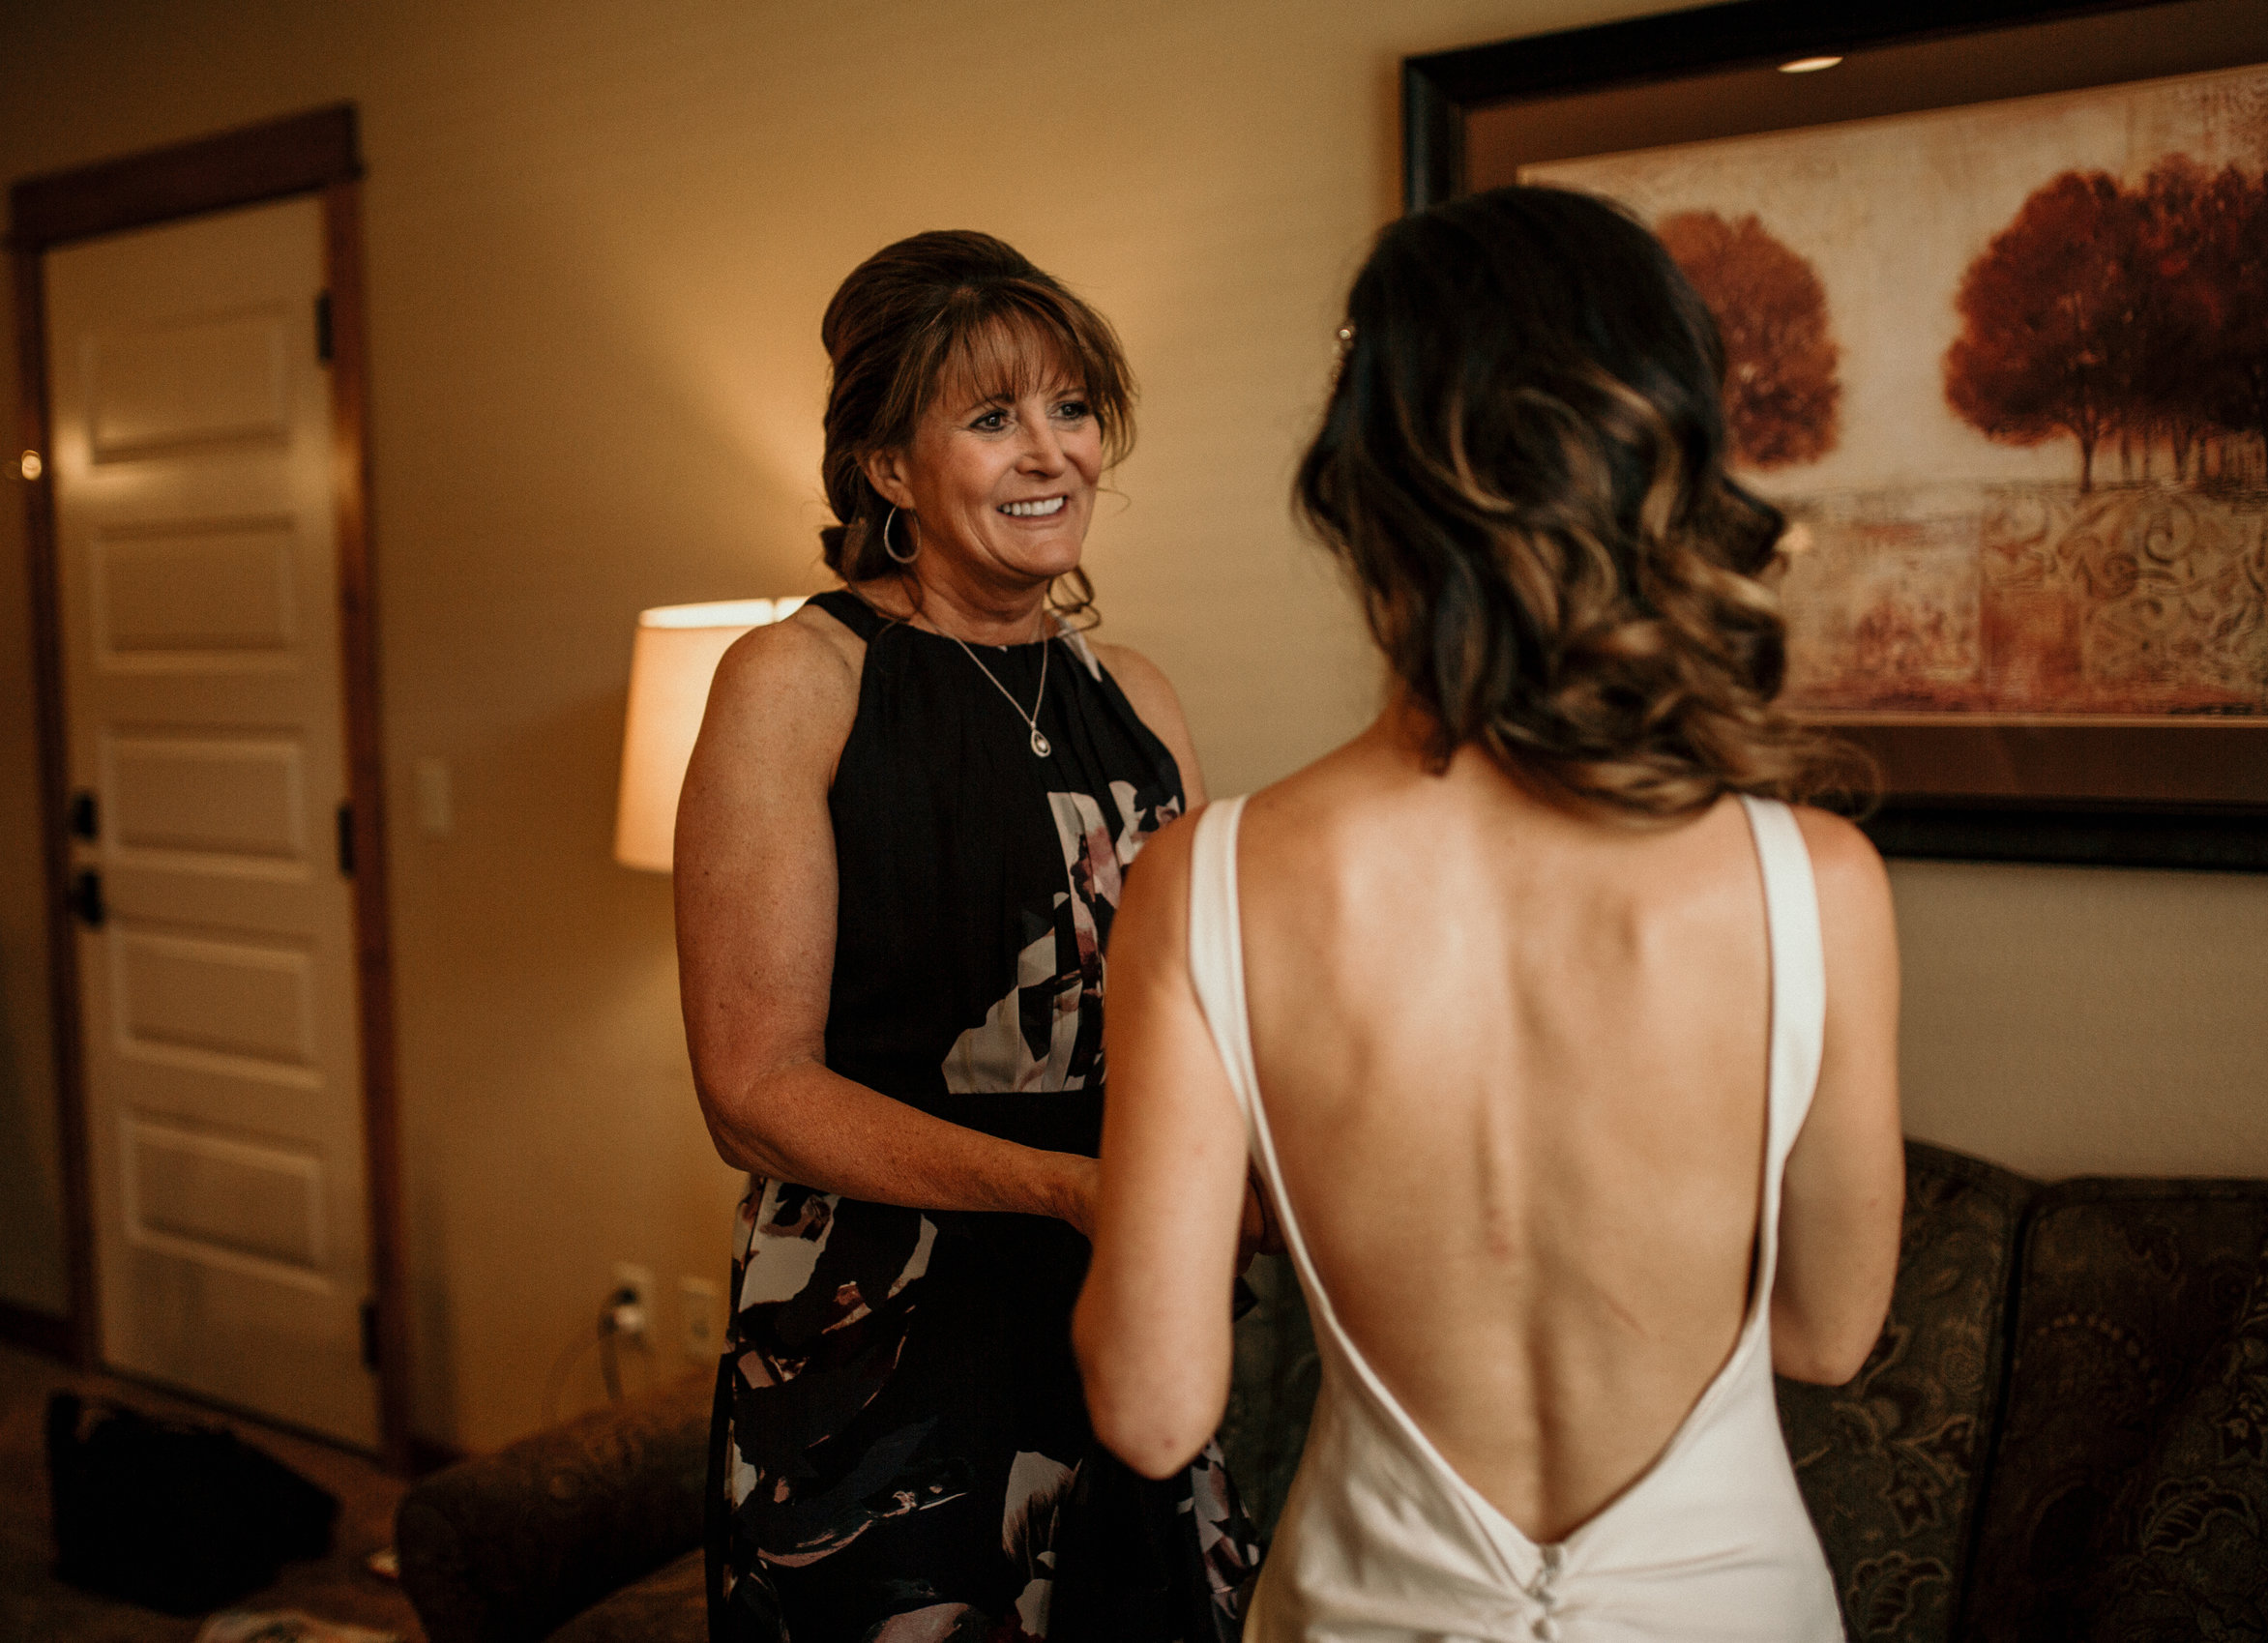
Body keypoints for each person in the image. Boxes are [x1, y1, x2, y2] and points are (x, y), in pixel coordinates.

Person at [1073, 186, 1903, 1642]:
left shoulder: (1206, 881)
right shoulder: (1815, 882)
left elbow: (1151, 1412)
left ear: (1359, 486)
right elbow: (1830, 1335)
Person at [679, 230, 1264, 1643]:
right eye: (992, 418)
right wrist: (1066, 1188)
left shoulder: (1140, 696)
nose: (1049, 454)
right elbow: (752, 1094)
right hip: (882, 1333)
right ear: (888, 468)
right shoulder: (798, 681)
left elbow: (1196, 1012)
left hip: (1121, 1301)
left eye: (1071, 410)